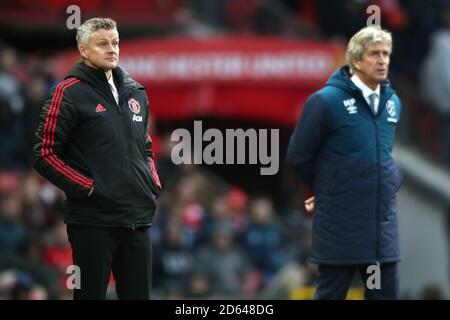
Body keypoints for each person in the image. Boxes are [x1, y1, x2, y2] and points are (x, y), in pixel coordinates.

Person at [33, 18, 161, 300]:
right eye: (102, 44)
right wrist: (89, 189)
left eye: (115, 43)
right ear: (83, 49)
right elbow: (44, 153)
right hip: (93, 221)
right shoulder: (68, 92)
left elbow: (145, 145)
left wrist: (151, 182)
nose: (111, 49)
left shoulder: (135, 91)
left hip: (136, 218)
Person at [287, 26, 403, 300]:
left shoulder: (393, 103)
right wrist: (330, 188)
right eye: (374, 54)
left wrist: (393, 178)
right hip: (340, 226)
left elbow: (384, 155)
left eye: (386, 54)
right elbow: (298, 156)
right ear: (356, 60)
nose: (382, 60)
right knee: (331, 295)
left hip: (381, 228)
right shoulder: (325, 101)